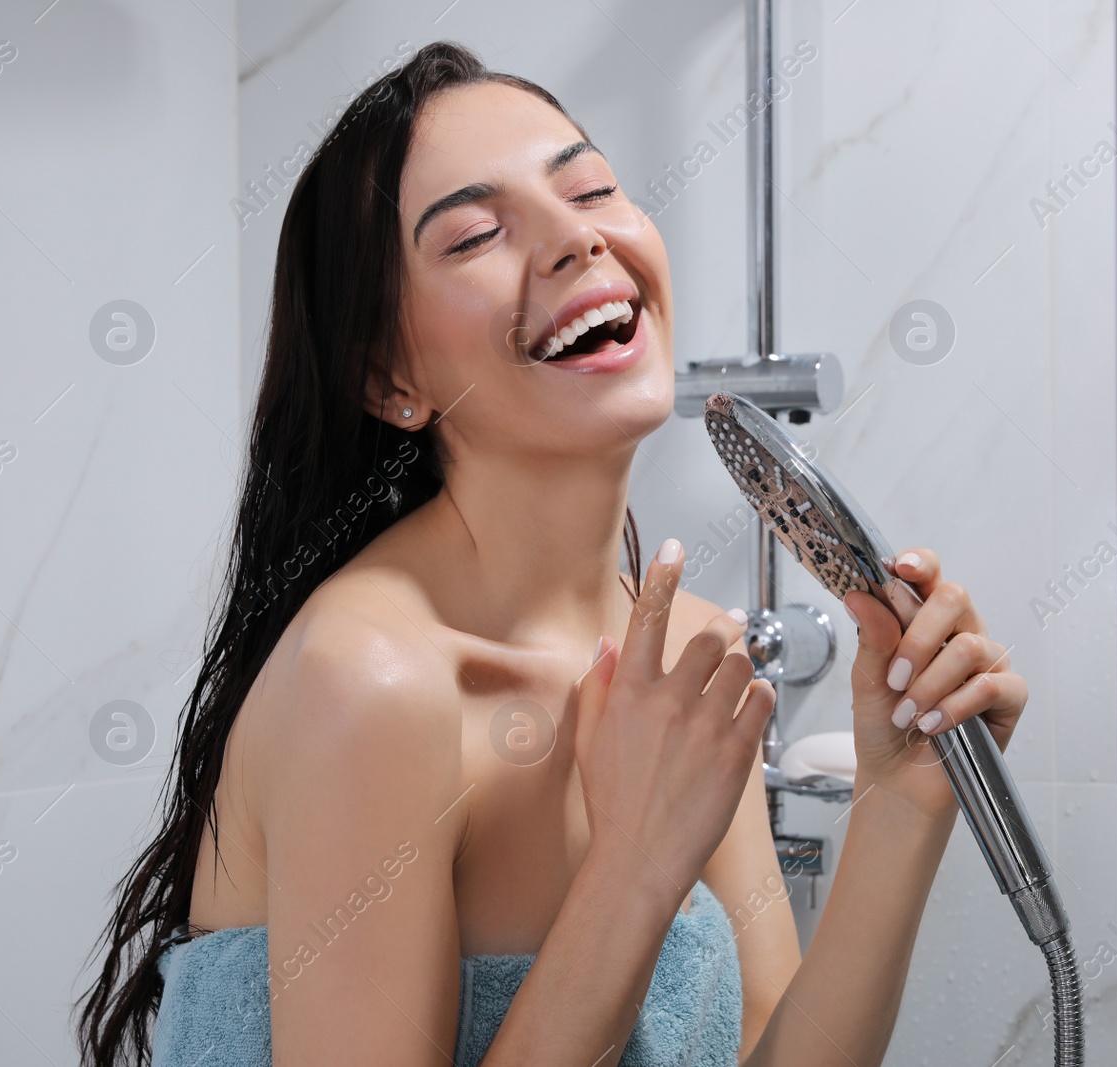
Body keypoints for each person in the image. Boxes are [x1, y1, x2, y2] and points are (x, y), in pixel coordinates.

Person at [77, 40, 1029, 1067]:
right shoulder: (375, 684)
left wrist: (903, 800)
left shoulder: (686, 666)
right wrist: (632, 867)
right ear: (388, 374)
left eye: (591, 188)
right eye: (478, 233)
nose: (577, 237)